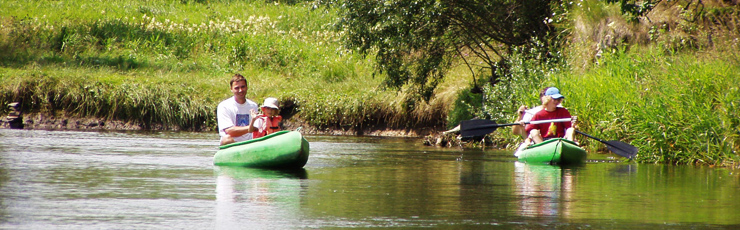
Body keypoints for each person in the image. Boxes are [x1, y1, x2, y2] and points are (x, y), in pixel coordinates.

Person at [217, 74, 259, 145]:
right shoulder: (224, 106)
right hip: (232, 143)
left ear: (247, 87)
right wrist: (251, 128)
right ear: (231, 89)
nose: (240, 90)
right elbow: (230, 131)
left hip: (249, 143)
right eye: (237, 88)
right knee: (226, 139)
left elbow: (257, 128)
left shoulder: (253, 106)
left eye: (243, 87)